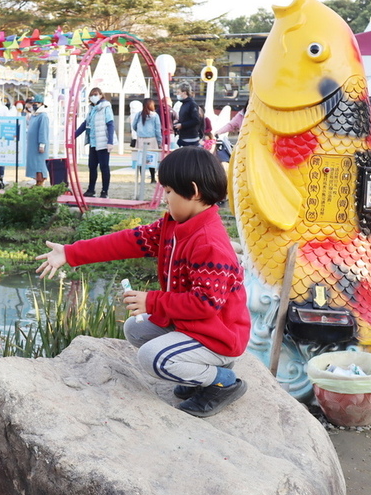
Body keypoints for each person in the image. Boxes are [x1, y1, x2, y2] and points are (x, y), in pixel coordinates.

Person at [35, 146, 250, 418]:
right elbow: (126, 242)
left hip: (218, 337)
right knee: (135, 330)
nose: (165, 200)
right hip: (197, 327)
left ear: (193, 191)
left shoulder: (210, 243)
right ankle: (199, 374)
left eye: (169, 192)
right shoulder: (173, 226)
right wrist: (70, 252)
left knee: (153, 358)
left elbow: (205, 304)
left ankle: (223, 382)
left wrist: (151, 300)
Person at [75, 87, 114, 198]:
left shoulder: (106, 107)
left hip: (103, 141)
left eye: (96, 94)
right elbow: (85, 124)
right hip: (93, 141)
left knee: (104, 167)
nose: (93, 96)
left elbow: (110, 124)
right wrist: (74, 135)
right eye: (91, 95)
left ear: (101, 95)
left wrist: (110, 141)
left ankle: (104, 191)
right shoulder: (91, 109)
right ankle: (91, 189)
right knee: (92, 166)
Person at [131, 98, 162, 184]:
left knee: (141, 159)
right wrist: (159, 142)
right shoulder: (155, 115)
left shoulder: (138, 114)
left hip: (141, 139)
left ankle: (142, 179)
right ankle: (152, 178)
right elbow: (157, 130)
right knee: (152, 159)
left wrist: (140, 131)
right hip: (152, 139)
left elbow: (134, 126)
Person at [25, 94, 49, 186]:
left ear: (42, 104)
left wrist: (42, 144)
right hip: (32, 146)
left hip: (39, 146)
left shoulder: (43, 116)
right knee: (34, 166)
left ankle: (40, 183)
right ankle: (37, 183)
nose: (35, 104)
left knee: (40, 166)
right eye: (34, 103)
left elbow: (43, 131)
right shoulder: (34, 115)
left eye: (38, 103)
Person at [173, 82, 201, 147]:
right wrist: (178, 122)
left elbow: (196, 120)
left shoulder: (192, 104)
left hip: (190, 138)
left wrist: (182, 125)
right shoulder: (184, 104)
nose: (177, 94)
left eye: (178, 92)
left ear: (184, 93)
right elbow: (186, 118)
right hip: (183, 136)